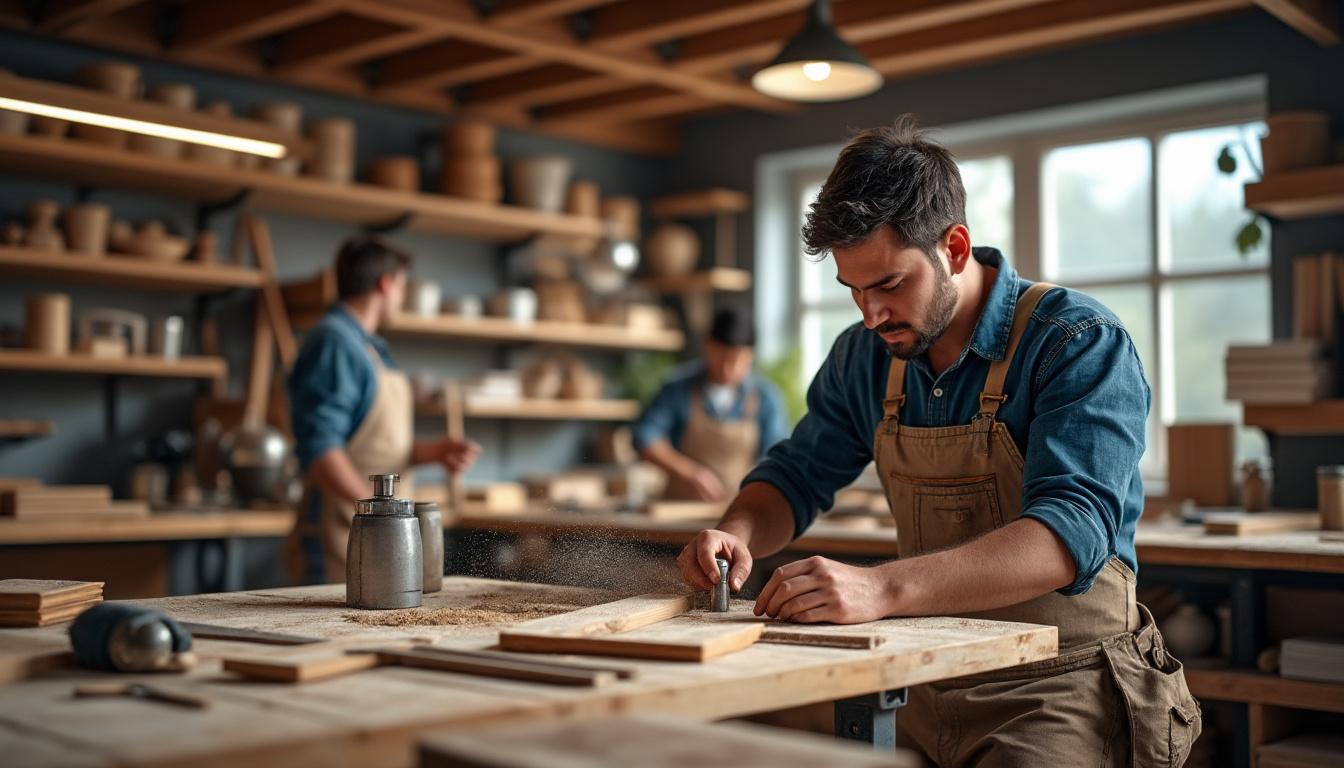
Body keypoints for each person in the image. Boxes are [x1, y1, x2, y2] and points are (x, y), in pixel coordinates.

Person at [676, 118, 1200, 766]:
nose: (871, 315)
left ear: (954, 248)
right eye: (854, 291)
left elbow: (1069, 533)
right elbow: (796, 474)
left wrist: (881, 590)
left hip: (1063, 684)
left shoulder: (1076, 342)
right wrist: (738, 531)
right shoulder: (864, 357)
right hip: (921, 679)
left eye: (890, 285)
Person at [285, 236, 480, 584]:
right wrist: (380, 515)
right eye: (402, 286)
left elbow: (372, 445)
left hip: (375, 536)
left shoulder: (368, 347)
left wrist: (431, 452)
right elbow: (321, 449)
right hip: (344, 535)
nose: (401, 297)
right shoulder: (335, 342)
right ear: (385, 283)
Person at [632, 307, 789, 501]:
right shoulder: (678, 389)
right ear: (707, 345)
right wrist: (689, 472)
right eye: (720, 357)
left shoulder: (765, 397)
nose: (727, 369)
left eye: (737, 360)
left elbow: (776, 455)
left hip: (738, 506)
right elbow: (644, 437)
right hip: (681, 509)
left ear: (751, 355)